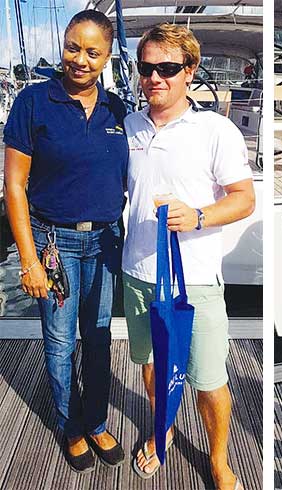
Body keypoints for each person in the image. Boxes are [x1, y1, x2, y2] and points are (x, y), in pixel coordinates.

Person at [121, 24, 254, 490]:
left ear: (190, 72)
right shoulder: (130, 126)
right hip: (137, 272)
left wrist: (197, 216)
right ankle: (164, 431)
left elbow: (244, 199)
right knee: (152, 365)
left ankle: (218, 459)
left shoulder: (214, 130)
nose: (155, 77)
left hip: (193, 279)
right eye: (147, 67)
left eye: (168, 68)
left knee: (208, 378)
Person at [3, 9, 126, 472]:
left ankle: (94, 422)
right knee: (59, 341)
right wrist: (29, 261)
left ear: (107, 56)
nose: (80, 59)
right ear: (63, 44)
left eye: (93, 52)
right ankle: (69, 425)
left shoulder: (118, 109)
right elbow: (14, 186)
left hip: (106, 243)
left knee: (96, 338)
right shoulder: (34, 102)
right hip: (54, 244)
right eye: (73, 46)